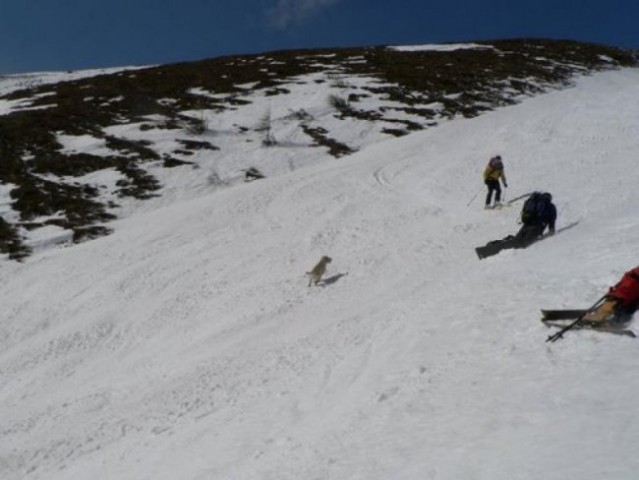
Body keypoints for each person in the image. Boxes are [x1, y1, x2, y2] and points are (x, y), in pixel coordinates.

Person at [475, 191, 557, 259]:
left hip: (526, 224)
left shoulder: (533, 201)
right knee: (521, 243)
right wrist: (550, 231)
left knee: (516, 239)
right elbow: (551, 222)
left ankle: (494, 244)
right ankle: (487, 251)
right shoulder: (551, 206)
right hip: (536, 227)